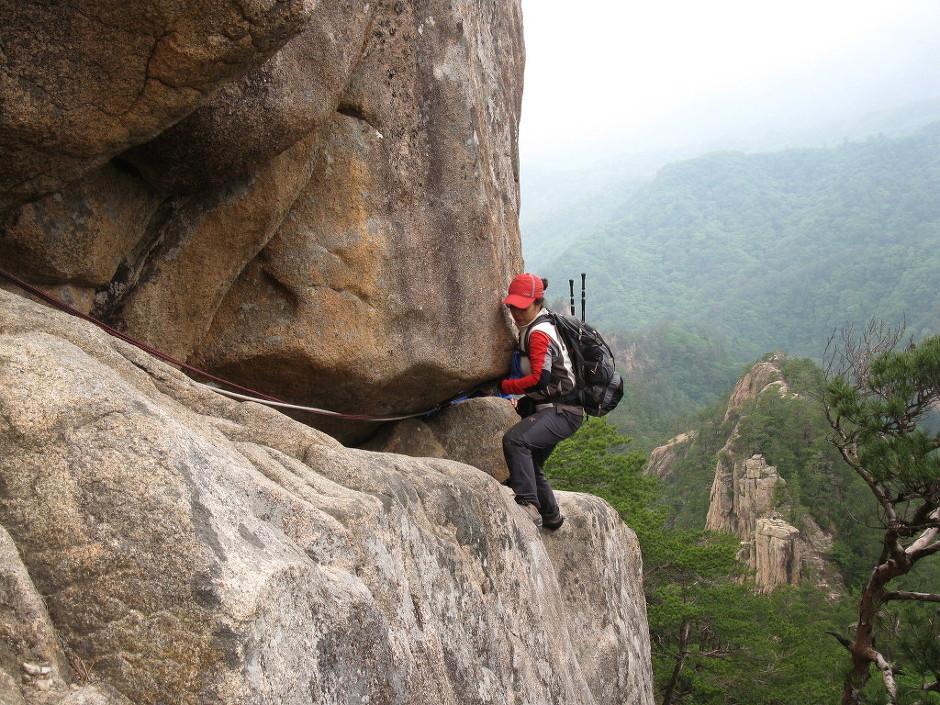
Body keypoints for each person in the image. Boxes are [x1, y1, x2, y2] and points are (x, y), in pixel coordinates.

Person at [500, 273, 584, 529]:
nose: (516, 312)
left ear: (537, 303)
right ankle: (552, 516)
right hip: (555, 408)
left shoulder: (539, 333)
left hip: (563, 411)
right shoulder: (533, 326)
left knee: (516, 441)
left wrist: (505, 387)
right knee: (531, 462)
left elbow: (540, 378)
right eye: (512, 306)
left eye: (522, 307)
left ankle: (528, 505)